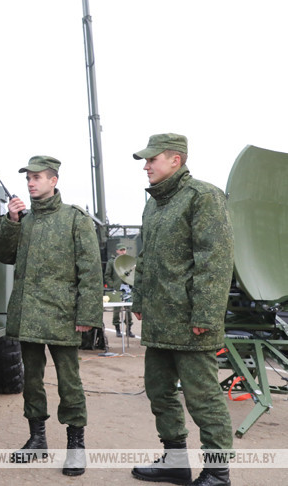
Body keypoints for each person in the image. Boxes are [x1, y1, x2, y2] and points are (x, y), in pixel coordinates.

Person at [129, 134, 234, 486]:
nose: (146, 166)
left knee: (203, 399)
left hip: (191, 323)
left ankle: (218, 473)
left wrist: (205, 314)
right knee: (159, 392)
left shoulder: (202, 197)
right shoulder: (154, 205)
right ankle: (175, 461)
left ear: (176, 159)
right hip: (160, 321)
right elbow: (144, 258)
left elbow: (214, 261)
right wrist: (140, 299)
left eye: (152, 159)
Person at [0, 155, 103, 476]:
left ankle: (76, 447)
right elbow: (1, 254)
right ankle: (37, 440)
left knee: (69, 383)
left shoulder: (75, 218)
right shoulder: (23, 220)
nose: (30, 182)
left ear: (53, 181)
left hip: (63, 316)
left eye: (37, 177)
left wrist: (88, 313)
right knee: (31, 380)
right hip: (28, 315)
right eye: (28, 177)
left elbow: (91, 272)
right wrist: (10, 221)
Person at [104, 244, 135, 338]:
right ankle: (117, 329)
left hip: (127, 288)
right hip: (117, 289)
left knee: (128, 310)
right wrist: (113, 285)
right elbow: (107, 275)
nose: (123, 252)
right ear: (117, 251)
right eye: (121, 250)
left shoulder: (128, 262)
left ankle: (129, 329)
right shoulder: (111, 262)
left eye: (124, 250)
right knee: (117, 310)